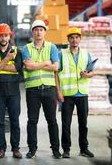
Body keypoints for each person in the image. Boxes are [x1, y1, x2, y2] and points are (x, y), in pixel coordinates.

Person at [22, 19, 62, 159]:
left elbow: (56, 67)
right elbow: (28, 66)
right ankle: (32, 149)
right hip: (33, 90)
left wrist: (36, 64)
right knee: (32, 120)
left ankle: (56, 149)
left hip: (49, 88)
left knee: (52, 120)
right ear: (32, 32)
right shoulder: (26, 48)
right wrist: (46, 62)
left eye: (41, 29)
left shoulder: (52, 47)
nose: (38, 32)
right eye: (36, 30)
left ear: (45, 32)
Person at [57, 27, 95, 158]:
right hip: (67, 94)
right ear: (68, 40)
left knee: (83, 124)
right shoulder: (61, 53)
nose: (74, 40)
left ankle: (84, 149)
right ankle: (66, 150)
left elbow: (92, 71)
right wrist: (59, 92)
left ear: (80, 39)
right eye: (72, 38)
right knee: (66, 124)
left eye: (77, 37)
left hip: (82, 93)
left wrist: (87, 75)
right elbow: (56, 74)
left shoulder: (86, 53)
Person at [0, 23, 23, 159]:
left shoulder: (17, 52)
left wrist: (1, 66)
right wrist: (7, 60)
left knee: (14, 121)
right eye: (1, 35)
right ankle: (1, 148)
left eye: (6, 35)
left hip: (14, 92)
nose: (3, 38)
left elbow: (17, 68)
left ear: (10, 36)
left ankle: (15, 148)